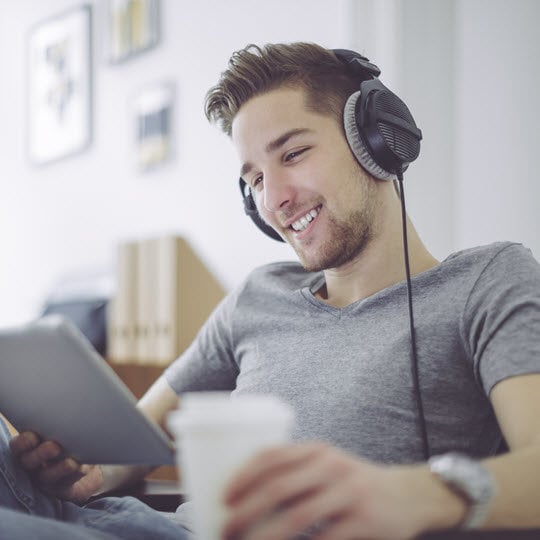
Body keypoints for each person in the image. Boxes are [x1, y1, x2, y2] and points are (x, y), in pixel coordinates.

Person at [5, 42, 540, 540]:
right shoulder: (259, 293)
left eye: (292, 154)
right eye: (255, 178)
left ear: (377, 140)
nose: (274, 199)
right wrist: (90, 474)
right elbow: (138, 438)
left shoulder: (486, 281)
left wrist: (410, 493)